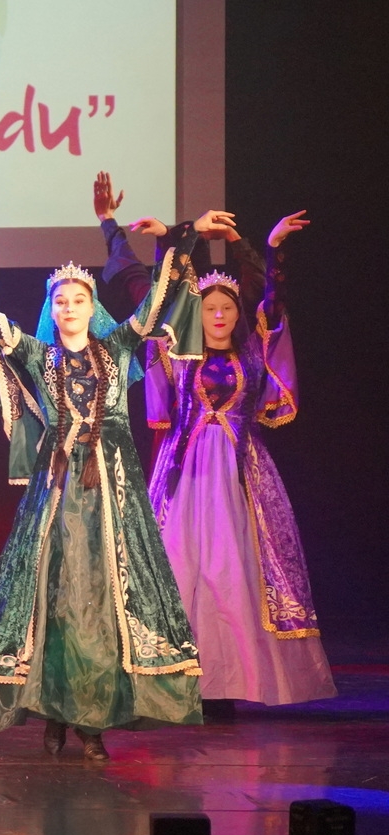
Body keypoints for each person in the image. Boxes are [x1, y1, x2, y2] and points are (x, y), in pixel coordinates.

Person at [0, 209, 226, 761]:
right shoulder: (37, 353)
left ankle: (92, 720)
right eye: (61, 301)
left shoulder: (119, 346)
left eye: (78, 299)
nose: (70, 307)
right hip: (56, 491)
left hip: (111, 491)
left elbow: (157, 301)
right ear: (52, 309)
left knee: (103, 599)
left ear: (92, 306)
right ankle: (55, 711)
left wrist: (183, 236)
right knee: (54, 597)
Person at [145, 210, 335, 709]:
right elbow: (160, 302)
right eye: (209, 308)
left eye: (226, 307)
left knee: (233, 572)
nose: (218, 315)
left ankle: (234, 684)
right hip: (185, 474)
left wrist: (268, 249)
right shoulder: (179, 355)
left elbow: (274, 301)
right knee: (181, 566)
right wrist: (172, 242)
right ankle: (176, 681)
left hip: (238, 475)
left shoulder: (252, 354)